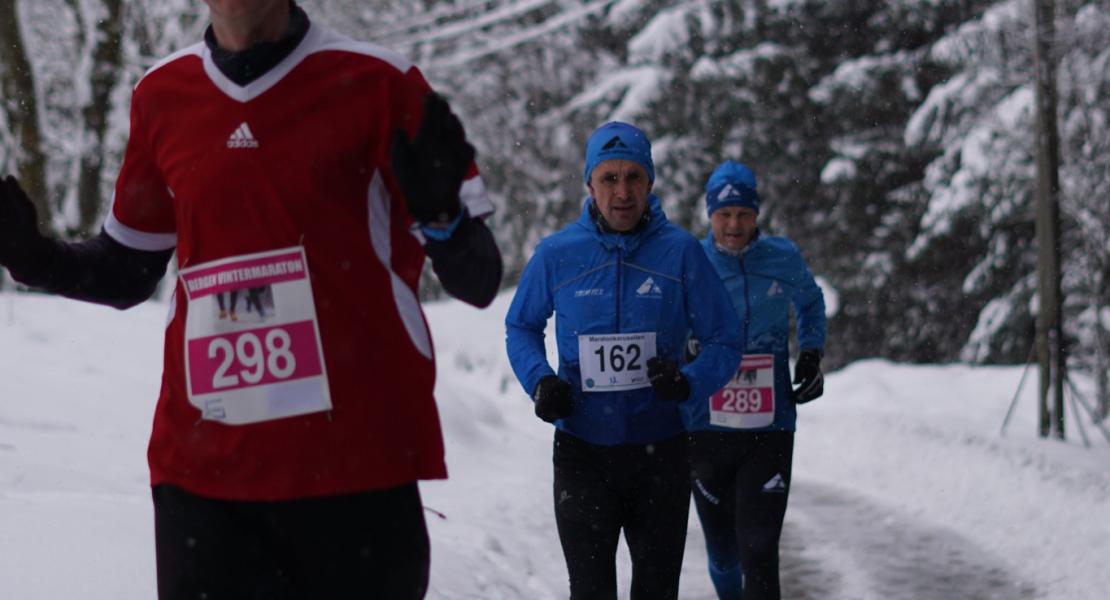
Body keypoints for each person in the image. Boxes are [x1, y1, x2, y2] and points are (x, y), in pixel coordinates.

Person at [0, 1, 501, 598]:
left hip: (356, 470)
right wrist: (35, 259)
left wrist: (444, 220)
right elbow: (129, 268)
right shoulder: (163, 95)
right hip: (203, 478)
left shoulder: (380, 82)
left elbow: (479, 280)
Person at [505, 122, 743, 599]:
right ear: (589, 185)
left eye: (633, 177)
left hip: (662, 453)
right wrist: (541, 381)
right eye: (609, 178)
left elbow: (725, 338)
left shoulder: (679, 252)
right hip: (582, 453)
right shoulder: (557, 254)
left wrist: (689, 382)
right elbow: (521, 326)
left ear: (650, 183)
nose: (622, 192)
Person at [683, 161, 826, 600]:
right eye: (724, 215)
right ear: (710, 216)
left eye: (743, 214)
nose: (733, 224)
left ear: (756, 214)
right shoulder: (691, 261)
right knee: (724, 554)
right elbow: (664, 320)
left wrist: (811, 352)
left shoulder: (782, 258)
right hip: (705, 428)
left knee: (760, 550)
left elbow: (811, 300)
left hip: (771, 427)